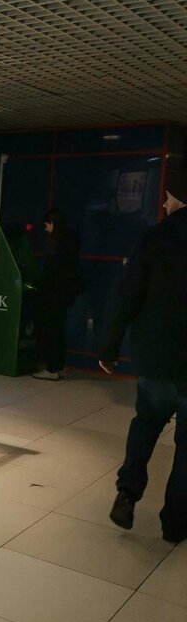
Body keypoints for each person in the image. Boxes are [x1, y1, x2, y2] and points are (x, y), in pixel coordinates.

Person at [100, 157, 187, 543]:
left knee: (146, 423)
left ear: (178, 198)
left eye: (168, 196)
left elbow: (126, 297)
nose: (164, 202)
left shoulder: (154, 239)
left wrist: (109, 347)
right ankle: (175, 523)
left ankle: (128, 492)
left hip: (157, 357)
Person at [32, 208, 82, 380]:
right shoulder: (71, 239)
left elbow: (50, 272)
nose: (46, 229)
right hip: (65, 294)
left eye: (46, 225)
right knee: (59, 331)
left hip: (53, 294)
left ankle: (52, 369)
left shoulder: (57, 244)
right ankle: (59, 367)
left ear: (53, 223)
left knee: (51, 331)